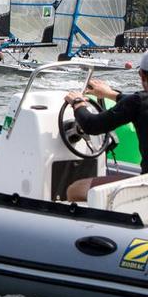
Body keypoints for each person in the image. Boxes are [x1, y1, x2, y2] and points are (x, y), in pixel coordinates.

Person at [63, 52, 148, 201]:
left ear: (141, 75)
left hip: (146, 185)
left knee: (74, 190)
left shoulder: (138, 103)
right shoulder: (137, 103)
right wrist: (109, 94)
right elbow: (134, 102)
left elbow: (91, 125)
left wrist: (78, 103)